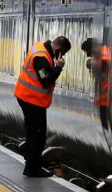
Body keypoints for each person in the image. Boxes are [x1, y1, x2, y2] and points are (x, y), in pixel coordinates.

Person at [14, 36, 71, 177]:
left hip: (27, 97)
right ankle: (32, 168)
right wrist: (58, 68)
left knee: (33, 133)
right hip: (32, 99)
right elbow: (45, 80)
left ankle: (31, 162)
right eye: (62, 53)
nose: (61, 56)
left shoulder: (39, 47)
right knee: (38, 135)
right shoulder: (42, 57)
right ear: (58, 49)